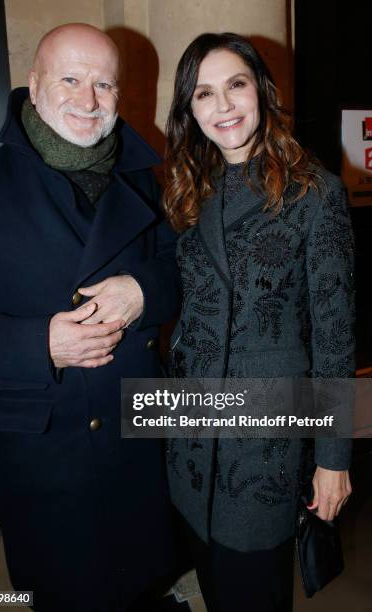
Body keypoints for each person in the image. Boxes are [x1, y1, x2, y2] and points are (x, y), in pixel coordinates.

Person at [0, 23, 181, 612]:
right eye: (71, 79)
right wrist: (40, 343)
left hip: (134, 424)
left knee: (137, 581)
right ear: (33, 86)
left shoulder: (143, 177)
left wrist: (143, 289)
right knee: (65, 589)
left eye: (105, 85)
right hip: (44, 443)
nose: (89, 102)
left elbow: (176, 270)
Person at [164, 32, 354, 612]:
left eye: (235, 86)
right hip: (190, 436)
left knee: (254, 592)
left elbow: (336, 336)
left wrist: (333, 458)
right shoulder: (188, 191)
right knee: (213, 587)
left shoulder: (314, 193)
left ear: (262, 92)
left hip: (263, 444)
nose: (222, 107)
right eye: (203, 94)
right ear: (188, 111)